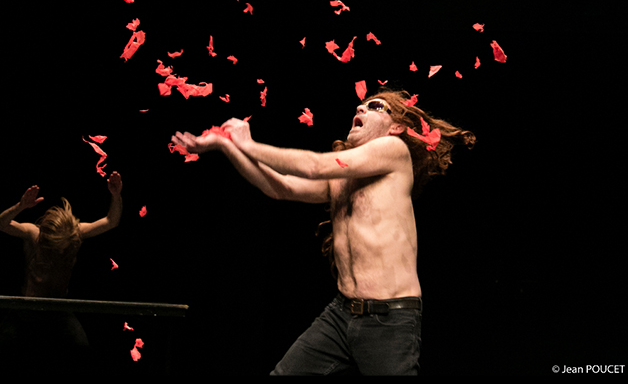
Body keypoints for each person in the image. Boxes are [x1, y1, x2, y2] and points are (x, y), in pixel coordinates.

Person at [172, 89, 475, 375]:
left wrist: (248, 145)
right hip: (341, 314)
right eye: (362, 104)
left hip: (388, 318)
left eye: (375, 107)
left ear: (396, 127)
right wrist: (227, 146)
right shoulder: (343, 178)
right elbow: (281, 187)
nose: (361, 107)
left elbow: (314, 166)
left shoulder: (394, 150)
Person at [0, 171, 123, 371]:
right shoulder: (35, 234)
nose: (58, 251)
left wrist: (116, 196)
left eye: (63, 247)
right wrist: (20, 206)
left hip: (58, 310)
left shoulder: (76, 233)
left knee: (81, 350)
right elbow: (1, 224)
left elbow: (111, 221)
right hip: (27, 309)